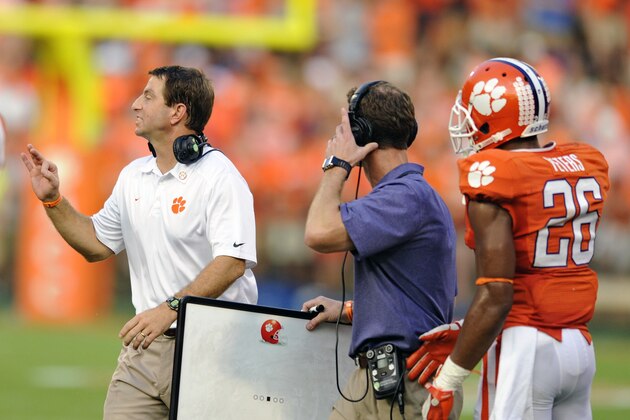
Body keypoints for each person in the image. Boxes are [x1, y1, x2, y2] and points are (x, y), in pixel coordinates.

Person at [21, 65, 257, 419]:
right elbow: (96, 244)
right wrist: (53, 200)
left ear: (177, 112)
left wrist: (169, 309)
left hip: (213, 350)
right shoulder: (133, 175)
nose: (135, 104)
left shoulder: (219, 176)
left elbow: (232, 262)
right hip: (144, 350)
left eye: (148, 96)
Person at [407, 57, 610, 419]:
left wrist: (449, 379)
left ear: (493, 114)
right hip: (579, 344)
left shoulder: (497, 175)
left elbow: (497, 294)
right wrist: (469, 331)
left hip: (526, 347)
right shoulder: (582, 161)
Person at [301, 80, 461, 419]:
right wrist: (347, 310)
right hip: (380, 379)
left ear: (361, 133)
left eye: (347, 129)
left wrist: (336, 166)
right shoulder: (407, 195)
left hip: (405, 384)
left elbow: (318, 233)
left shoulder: (405, 196)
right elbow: (412, 297)